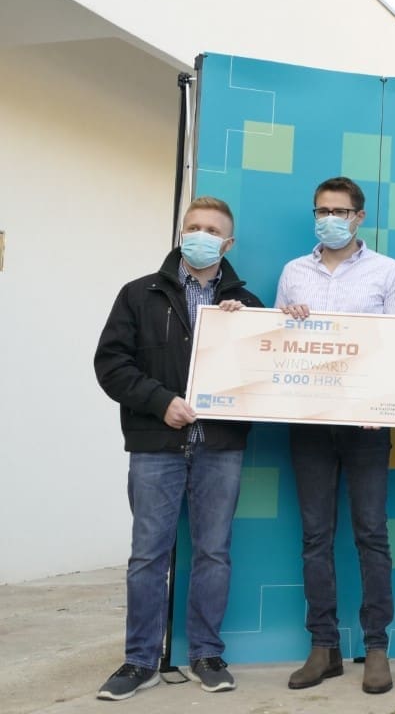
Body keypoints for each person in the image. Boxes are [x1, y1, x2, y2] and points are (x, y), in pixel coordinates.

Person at [93, 196, 262, 701]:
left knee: (213, 553)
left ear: (228, 244)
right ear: (181, 232)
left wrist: (243, 330)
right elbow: (111, 364)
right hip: (155, 445)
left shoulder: (248, 305)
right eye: (193, 227)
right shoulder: (138, 294)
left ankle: (206, 654)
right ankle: (139, 661)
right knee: (148, 556)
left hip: (220, 446)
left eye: (211, 230)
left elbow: (266, 375)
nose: (200, 235)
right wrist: (160, 402)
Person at [276, 176, 395, 695]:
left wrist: (383, 404)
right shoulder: (293, 272)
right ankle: (323, 646)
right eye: (321, 211)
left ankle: (376, 647)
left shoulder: (387, 271)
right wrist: (286, 320)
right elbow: (277, 346)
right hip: (308, 423)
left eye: (339, 211)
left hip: (367, 426)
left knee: (371, 534)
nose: (329, 219)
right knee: (315, 536)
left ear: (359, 217)